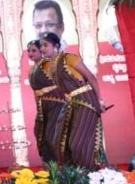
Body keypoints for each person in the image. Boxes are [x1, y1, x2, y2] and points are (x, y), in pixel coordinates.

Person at [39, 32, 106, 169]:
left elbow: (91, 77)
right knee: (60, 141)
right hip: (71, 104)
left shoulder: (69, 58)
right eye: (41, 46)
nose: (42, 49)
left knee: (78, 143)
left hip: (86, 102)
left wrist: (100, 100)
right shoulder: (51, 66)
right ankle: (71, 176)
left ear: (56, 46)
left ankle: (89, 175)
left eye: (45, 45)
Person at [25, 38, 65, 164]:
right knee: (39, 134)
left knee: (52, 135)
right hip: (43, 106)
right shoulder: (32, 70)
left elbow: (63, 81)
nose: (30, 53)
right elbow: (36, 92)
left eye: (34, 50)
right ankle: (49, 167)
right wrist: (38, 106)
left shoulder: (47, 64)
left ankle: (61, 166)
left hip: (56, 104)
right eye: (28, 51)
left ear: (41, 51)